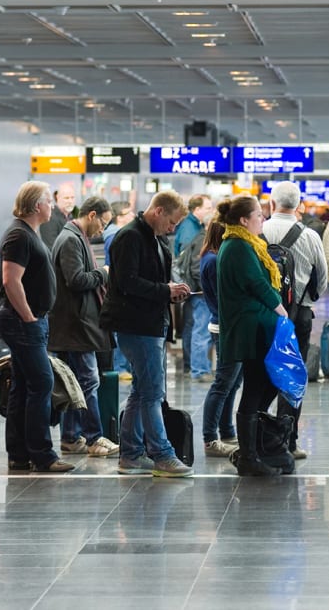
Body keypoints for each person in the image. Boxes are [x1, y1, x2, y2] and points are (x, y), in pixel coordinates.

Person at [101, 190, 193, 478]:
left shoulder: (154, 237)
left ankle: (130, 454)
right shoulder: (130, 237)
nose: (173, 228)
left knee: (142, 391)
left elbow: (150, 279)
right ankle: (162, 455)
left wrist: (169, 291)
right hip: (136, 325)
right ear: (159, 211)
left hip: (149, 322)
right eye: (172, 222)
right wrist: (166, 290)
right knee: (153, 392)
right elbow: (127, 282)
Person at [0, 181, 75, 473]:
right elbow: (10, 280)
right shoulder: (19, 235)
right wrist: (29, 316)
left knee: (23, 386)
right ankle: (43, 454)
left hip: (29, 320)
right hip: (22, 322)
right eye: (48, 201)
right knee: (42, 383)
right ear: (35, 205)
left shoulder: (28, 232)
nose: (52, 206)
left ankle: (19, 454)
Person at [214, 195, 292, 476]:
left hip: (254, 326)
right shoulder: (237, 246)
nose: (263, 218)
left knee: (264, 384)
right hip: (250, 329)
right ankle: (248, 455)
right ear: (244, 220)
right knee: (256, 386)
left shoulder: (244, 244)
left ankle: (255, 446)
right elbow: (256, 283)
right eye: (259, 215)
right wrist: (280, 309)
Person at [49, 196, 120, 458]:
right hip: (76, 325)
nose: (102, 230)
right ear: (91, 215)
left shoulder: (75, 237)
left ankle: (70, 437)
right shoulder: (70, 239)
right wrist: (104, 272)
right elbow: (76, 280)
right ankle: (94, 438)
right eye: (102, 223)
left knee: (75, 383)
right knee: (88, 381)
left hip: (75, 323)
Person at [263, 181, 327, 458]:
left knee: (259, 374)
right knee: (292, 375)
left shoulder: (259, 231)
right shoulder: (310, 235)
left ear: (271, 204)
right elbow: (322, 279)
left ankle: (259, 434)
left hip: (264, 313)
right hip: (299, 314)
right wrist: (305, 300)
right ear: (299, 206)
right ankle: (288, 441)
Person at [198, 217, 239, 458]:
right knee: (223, 382)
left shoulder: (212, 257)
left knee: (232, 382)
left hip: (224, 325)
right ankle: (210, 438)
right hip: (224, 327)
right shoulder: (214, 261)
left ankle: (226, 430)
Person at [174, 194, 215, 379]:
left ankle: (195, 367)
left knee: (194, 327)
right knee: (201, 329)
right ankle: (199, 369)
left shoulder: (196, 231)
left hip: (196, 290)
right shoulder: (196, 235)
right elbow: (196, 266)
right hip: (200, 292)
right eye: (208, 207)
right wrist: (206, 287)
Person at [102, 200, 135, 380]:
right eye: (128, 213)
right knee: (119, 327)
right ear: (119, 217)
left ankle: (122, 365)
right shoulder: (114, 235)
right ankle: (120, 366)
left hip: (115, 284)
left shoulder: (116, 233)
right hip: (116, 287)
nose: (132, 215)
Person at [38, 182, 76, 249]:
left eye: (72, 198)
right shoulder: (49, 217)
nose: (70, 201)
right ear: (58, 198)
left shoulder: (70, 217)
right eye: (66, 198)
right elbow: (51, 247)